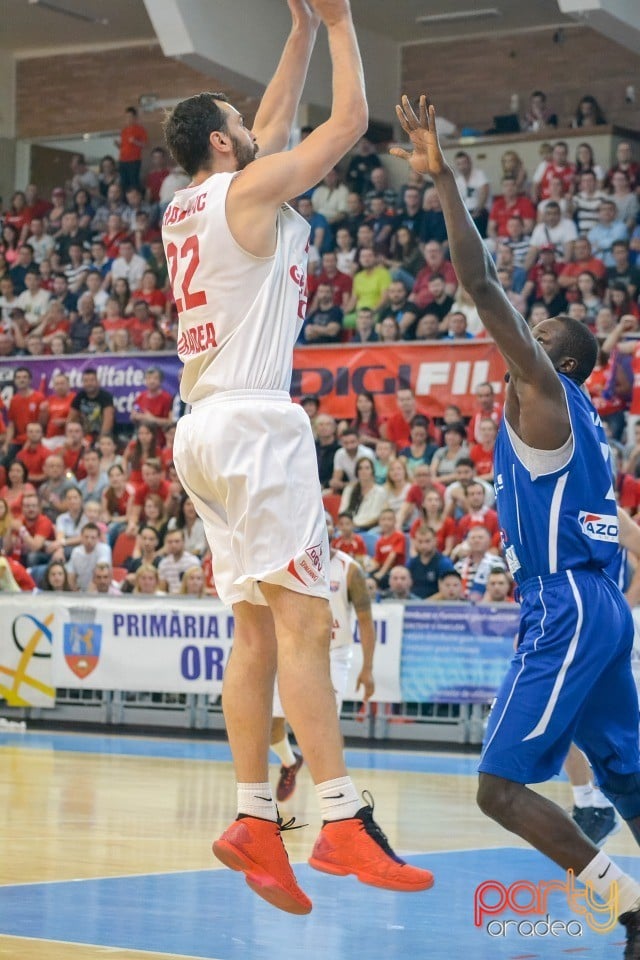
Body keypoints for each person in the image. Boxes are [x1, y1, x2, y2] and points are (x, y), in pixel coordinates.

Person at [161, 1, 432, 913]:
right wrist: (346, 23)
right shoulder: (245, 191)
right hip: (252, 422)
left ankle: (251, 817)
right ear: (228, 148)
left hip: (196, 428)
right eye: (244, 125)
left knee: (253, 627)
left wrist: (301, 30)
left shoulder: (189, 202)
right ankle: (343, 822)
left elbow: (273, 123)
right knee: (307, 624)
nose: (258, 123)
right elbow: (347, 124)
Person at [391, 91, 640, 954]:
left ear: (554, 358)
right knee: (631, 773)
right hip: (601, 602)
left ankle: (630, 907)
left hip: (566, 603)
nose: (512, 343)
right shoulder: (574, 426)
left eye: (530, 338)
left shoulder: (546, 393)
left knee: (498, 790)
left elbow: (477, 281)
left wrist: (442, 180)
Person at [270, 515, 376, 802]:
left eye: (326, 528)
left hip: (335, 654)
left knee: (327, 728)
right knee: (271, 726)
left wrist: (367, 668)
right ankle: (290, 762)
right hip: (296, 649)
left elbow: (366, 621)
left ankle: (337, 797)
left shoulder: (349, 570)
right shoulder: (289, 565)